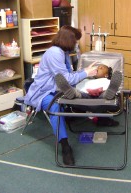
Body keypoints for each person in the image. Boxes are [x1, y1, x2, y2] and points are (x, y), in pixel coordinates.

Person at [24, 25, 97, 166]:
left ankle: (100, 115)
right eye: (75, 41)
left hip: (58, 88)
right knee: (56, 106)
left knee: (83, 92)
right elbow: (66, 79)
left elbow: (69, 75)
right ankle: (65, 146)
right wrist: (86, 73)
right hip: (43, 92)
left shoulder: (63, 53)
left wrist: (84, 71)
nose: (76, 44)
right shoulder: (55, 53)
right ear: (69, 40)